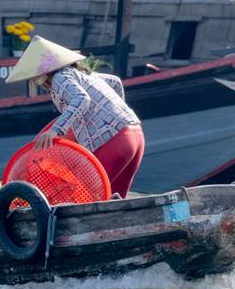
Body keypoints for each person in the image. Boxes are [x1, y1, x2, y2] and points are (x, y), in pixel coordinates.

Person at [10, 36, 143, 198]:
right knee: (116, 201)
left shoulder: (59, 78)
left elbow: (81, 99)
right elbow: (115, 82)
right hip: (135, 134)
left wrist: (55, 131)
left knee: (88, 199)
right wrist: (117, 114)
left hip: (114, 142)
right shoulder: (87, 75)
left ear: (42, 76)